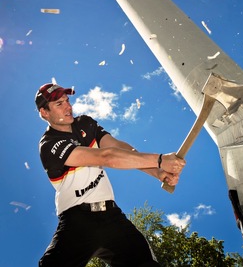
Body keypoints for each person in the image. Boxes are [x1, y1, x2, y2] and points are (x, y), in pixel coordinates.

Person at [35, 83, 186, 267]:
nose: (68, 106)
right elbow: (106, 157)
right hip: (77, 222)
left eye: (67, 100)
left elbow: (117, 148)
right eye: (59, 104)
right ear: (44, 113)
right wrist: (160, 159)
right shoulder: (49, 144)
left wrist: (158, 172)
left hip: (112, 217)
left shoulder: (85, 123)